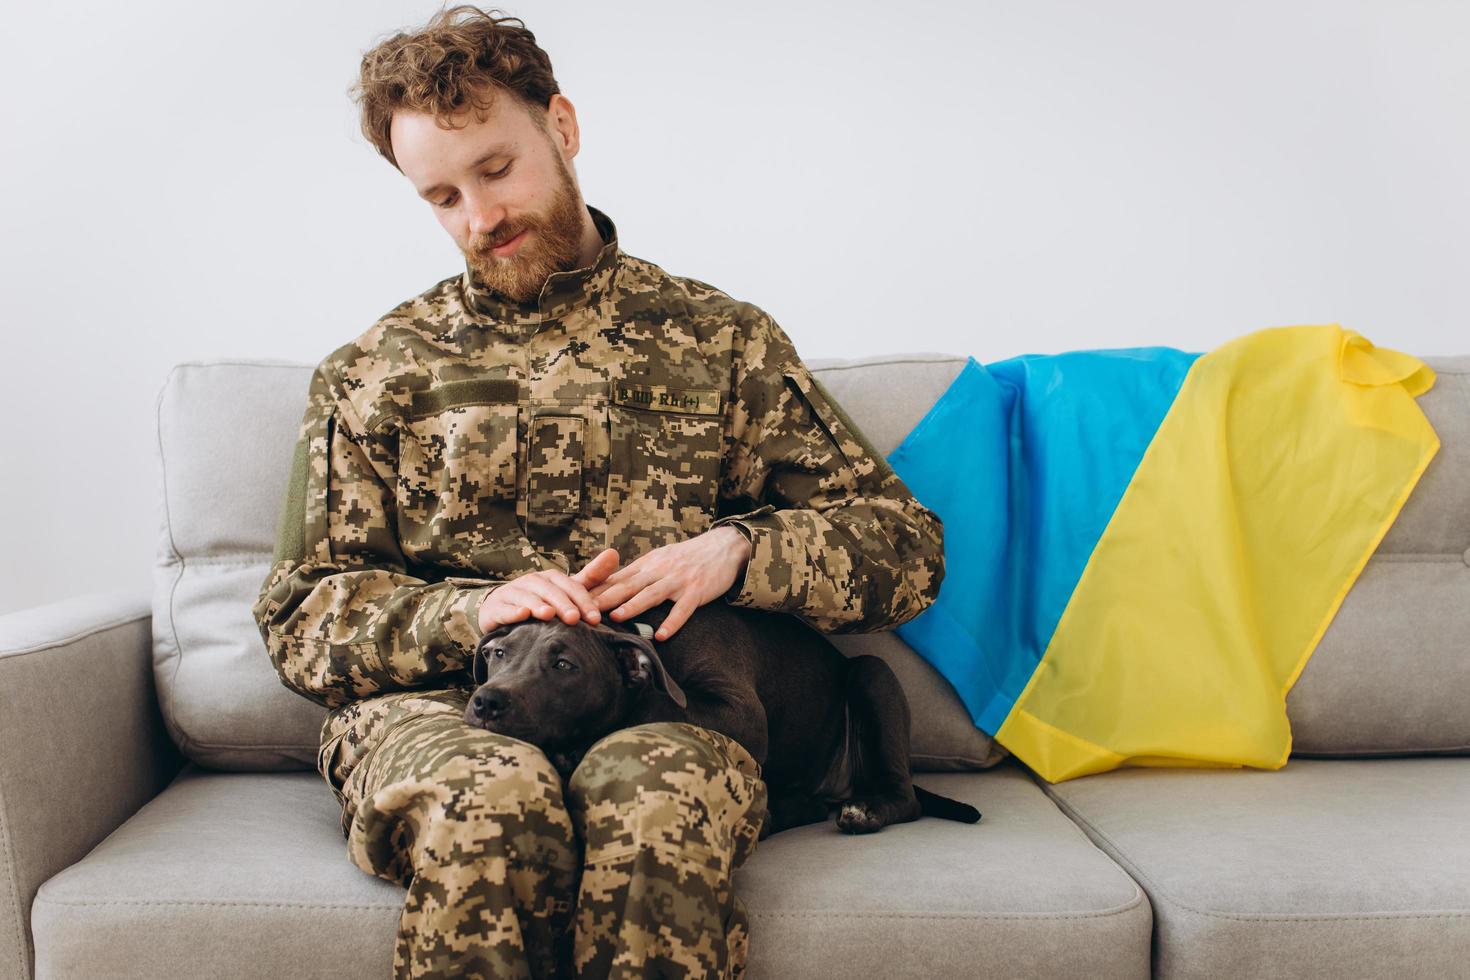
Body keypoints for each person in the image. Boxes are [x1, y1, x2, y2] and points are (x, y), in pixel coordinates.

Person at [251, 6, 946, 978]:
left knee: (655, 799)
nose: (479, 218)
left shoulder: (723, 339)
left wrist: (743, 550)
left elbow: (905, 545)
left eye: (496, 170)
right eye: (442, 195)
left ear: (562, 127)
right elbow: (298, 614)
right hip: (448, 708)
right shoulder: (374, 372)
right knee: (490, 800)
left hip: (665, 702)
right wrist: (471, 610)